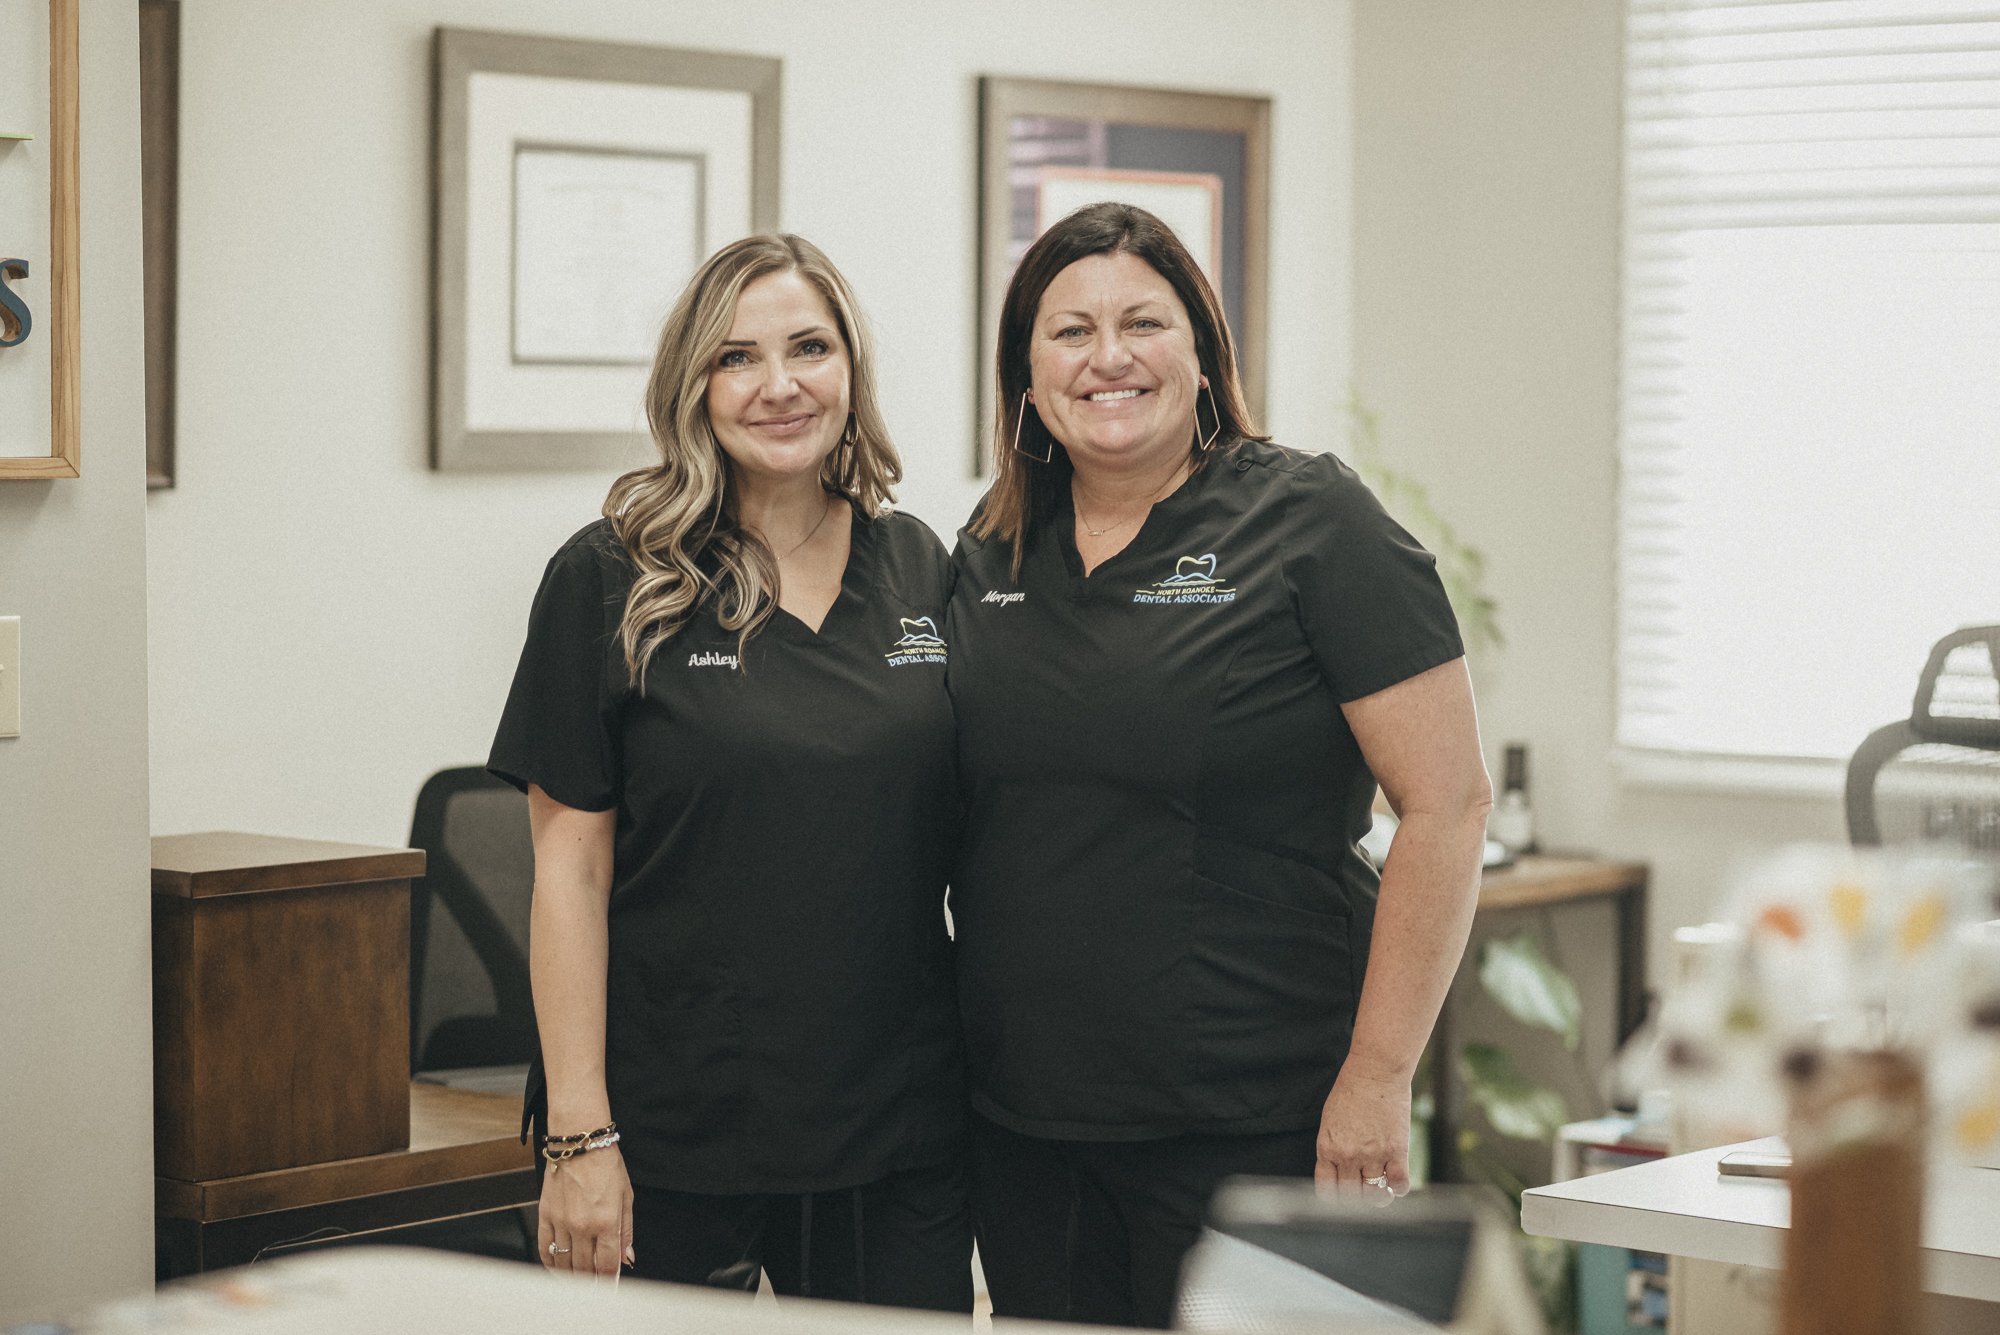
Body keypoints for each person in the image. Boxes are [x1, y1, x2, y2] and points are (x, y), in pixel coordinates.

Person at [946, 202, 1493, 1329]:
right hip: (1026, 1120)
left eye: (1142, 322)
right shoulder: (989, 549)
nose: (1107, 358)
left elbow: (1447, 803)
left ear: (1200, 353)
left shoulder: (1308, 521)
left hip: (1259, 1111)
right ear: (1025, 374)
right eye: (1067, 331)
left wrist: (1378, 1077)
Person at [488, 234, 970, 1311]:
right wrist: (578, 1135)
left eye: (809, 347)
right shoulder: (610, 575)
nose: (779, 385)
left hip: (894, 1124)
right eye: (737, 357)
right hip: (674, 1123)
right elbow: (568, 869)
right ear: (693, 385)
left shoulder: (923, 570)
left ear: (851, 368)